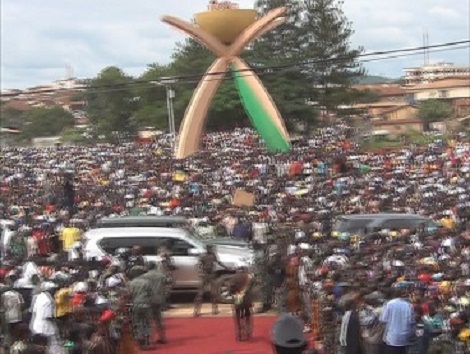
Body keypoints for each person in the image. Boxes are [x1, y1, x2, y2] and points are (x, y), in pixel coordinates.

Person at [193, 244, 227, 317]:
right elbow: (198, 265)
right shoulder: (204, 256)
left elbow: (218, 262)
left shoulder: (212, 255)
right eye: (211, 248)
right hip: (206, 275)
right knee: (201, 293)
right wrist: (201, 272)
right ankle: (197, 310)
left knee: (213, 292)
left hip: (210, 274)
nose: (212, 250)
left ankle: (214, 309)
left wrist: (225, 267)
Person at [127, 267, 154, 351]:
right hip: (146, 303)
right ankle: (147, 341)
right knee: (147, 323)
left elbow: (129, 295)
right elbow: (151, 294)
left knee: (137, 323)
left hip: (136, 304)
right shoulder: (147, 282)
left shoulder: (131, 283)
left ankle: (140, 340)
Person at [380, 288, 414, 354]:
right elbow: (411, 321)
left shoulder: (389, 304)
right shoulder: (408, 305)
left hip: (392, 337)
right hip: (404, 337)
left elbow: (383, 319)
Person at [141, 261, 167, 344]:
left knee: (148, 320)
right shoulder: (161, 275)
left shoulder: (144, 276)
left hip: (148, 299)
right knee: (159, 319)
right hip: (158, 298)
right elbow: (167, 281)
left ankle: (150, 339)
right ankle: (163, 337)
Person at [230, 266, 255, 341]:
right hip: (247, 299)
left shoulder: (234, 277)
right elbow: (254, 284)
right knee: (248, 315)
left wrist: (235, 293)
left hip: (238, 298)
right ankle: (248, 334)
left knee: (237, 316)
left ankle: (239, 335)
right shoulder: (249, 276)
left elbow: (231, 288)